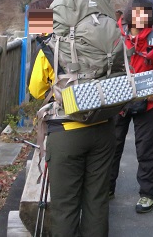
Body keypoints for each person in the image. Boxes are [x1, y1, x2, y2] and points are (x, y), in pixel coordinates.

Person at [29, 37, 115, 237]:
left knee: (65, 206)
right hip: (103, 126)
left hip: (66, 131)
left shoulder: (51, 47)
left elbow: (36, 89)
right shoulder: (101, 40)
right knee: (97, 202)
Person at [109, 0, 153, 213]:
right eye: (135, 12)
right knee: (111, 147)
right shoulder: (116, 35)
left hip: (145, 103)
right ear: (129, 14)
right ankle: (106, 188)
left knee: (146, 150)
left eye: (144, 13)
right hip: (119, 102)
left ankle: (147, 194)